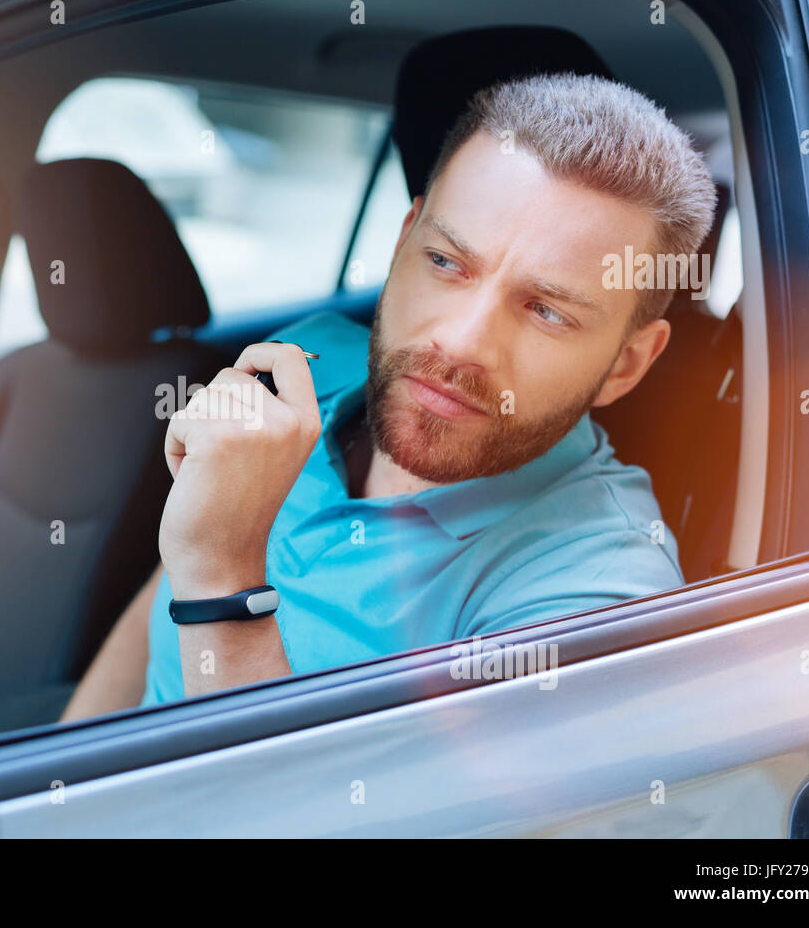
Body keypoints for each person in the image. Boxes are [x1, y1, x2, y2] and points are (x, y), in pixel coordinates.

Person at [61, 72, 715, 721]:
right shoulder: (301, 362)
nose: (460, 342)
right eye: (447, 263)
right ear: (404, 239)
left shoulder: (602, 594)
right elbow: (161, 602)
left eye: (546, 310)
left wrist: (225, 581)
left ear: (624, 367)